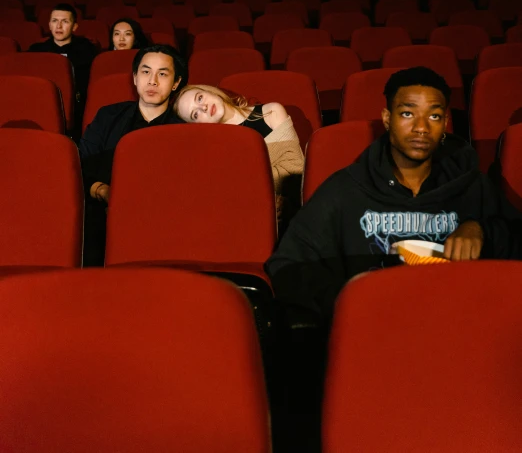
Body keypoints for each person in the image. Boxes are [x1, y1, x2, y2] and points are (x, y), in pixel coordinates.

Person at [266, 66, 516, 329]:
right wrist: (351, 303)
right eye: (407, 113)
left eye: (434, 115)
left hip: (457, 325)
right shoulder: (345, 189)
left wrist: (482, 230)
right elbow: (287, 265)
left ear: (444, 124)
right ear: (387, 119)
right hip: (373, 332)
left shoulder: (473, 186)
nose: (421, 127)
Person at [79, 44, 188, 265]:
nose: (153, 81)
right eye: (146, 72)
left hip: (165, 221)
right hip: (102, 217)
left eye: (163, 74)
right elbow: (79, 166)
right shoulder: (108, 116)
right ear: (135, 78)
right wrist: (101, 190)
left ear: (176, 83)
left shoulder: (186, 128)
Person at [174, 84, 304, 221]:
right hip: (254, 220)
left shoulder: (271, 112)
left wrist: (248, 185)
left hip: (299, 212)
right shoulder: (215, 152)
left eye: (199, 98)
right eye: (195, 114)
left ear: (211, 92)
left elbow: (294, 171)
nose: (203, 107)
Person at [29, 3, 98, 126]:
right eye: (55, 21)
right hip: (41, 101)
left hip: (77, 105)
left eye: (65, 21)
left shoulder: (87, 50)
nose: (59, 26)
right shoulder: (36, 50)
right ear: (49, 25)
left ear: (74, 26)